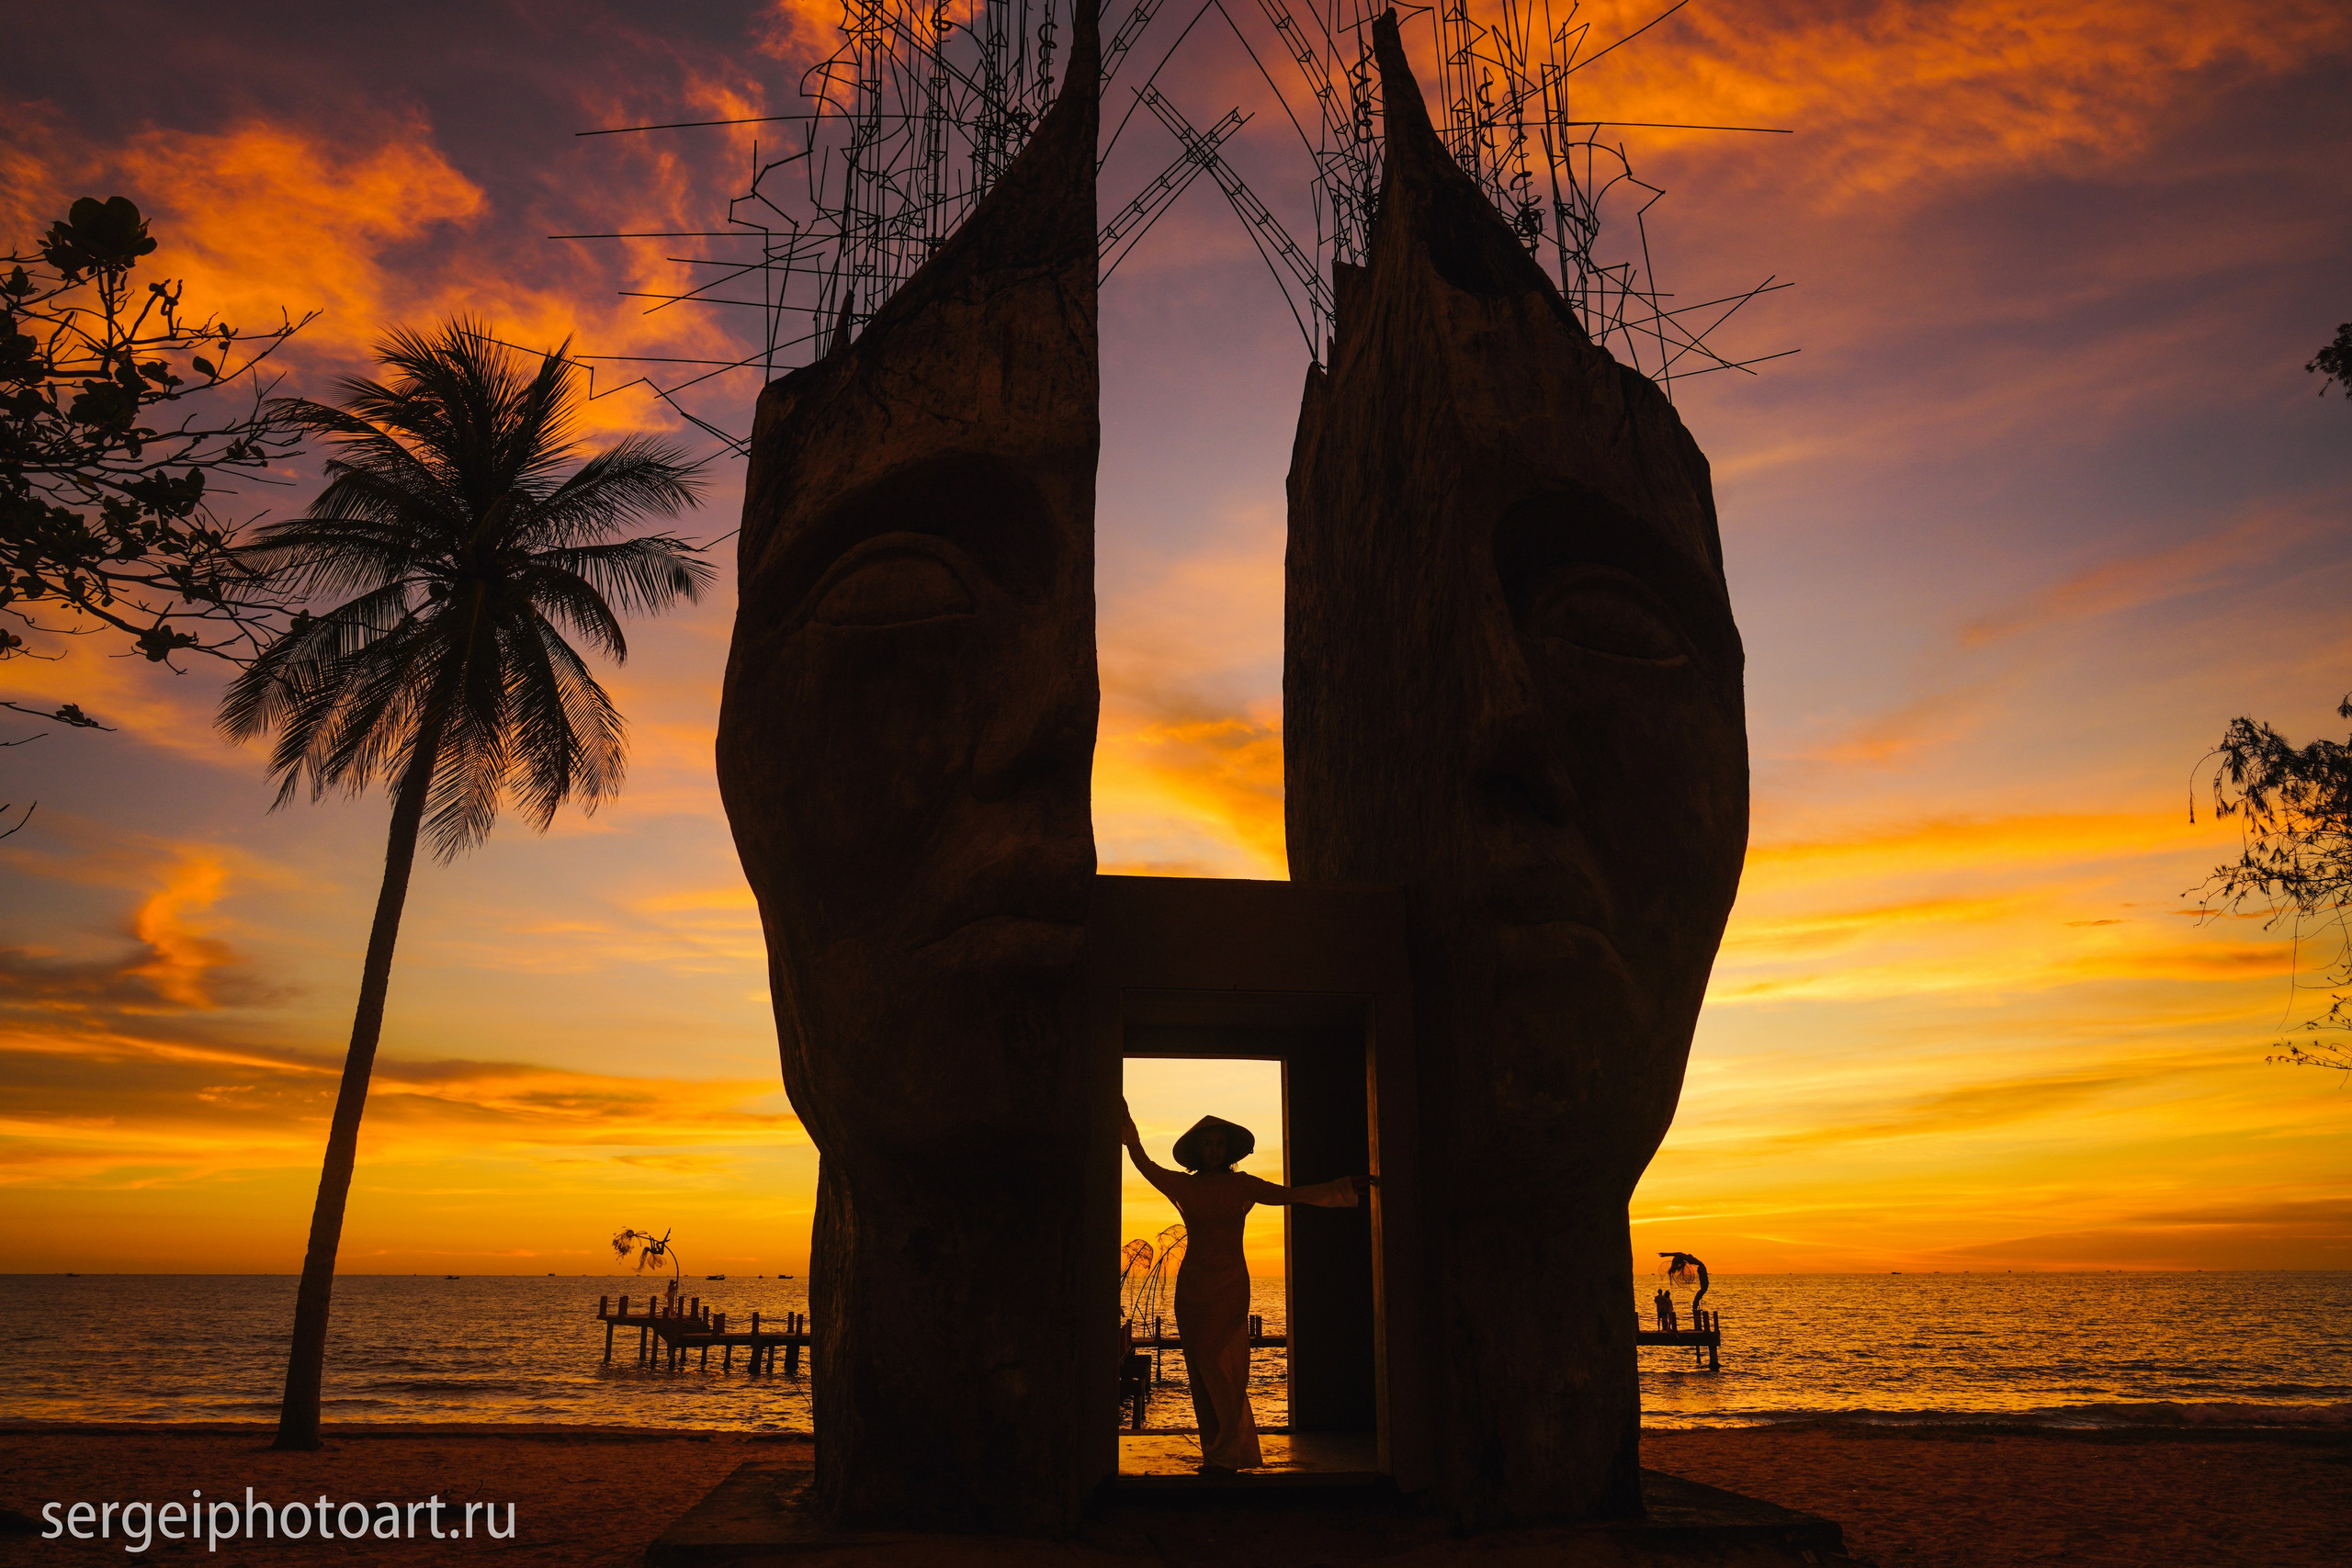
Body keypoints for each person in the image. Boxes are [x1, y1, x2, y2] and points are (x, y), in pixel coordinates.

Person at [1119, 1101, 1374, 1472]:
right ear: (1197, 1149)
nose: (1215, 1149)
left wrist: (1341, 1188)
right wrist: (1129, 1132)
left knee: (1229, 1368)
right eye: (1208, 1143)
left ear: (1229, 1149)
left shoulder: (1242, 1184)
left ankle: (1228, 1451)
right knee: (1201, 1367)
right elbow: (1145, 1164)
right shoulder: (1184, 1186)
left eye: (1220, 1143)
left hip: (1231, 1285)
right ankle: (1218, 1452)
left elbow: (1291, 1194)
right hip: (1194, 1289)